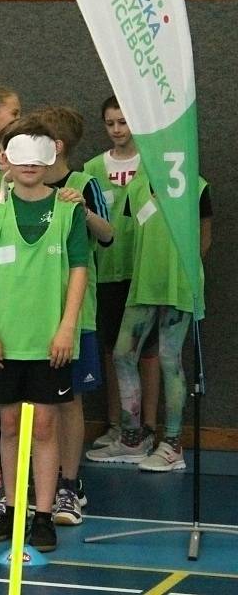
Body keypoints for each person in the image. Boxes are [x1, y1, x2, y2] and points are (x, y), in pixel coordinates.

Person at [0, 119, 88, 552]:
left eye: (37, 154)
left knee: (44, 425)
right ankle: (12, 506)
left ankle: (43, 516)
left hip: (49, 340)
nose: (28, 163)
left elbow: (79, 271)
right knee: (7, 423)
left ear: (51, 157)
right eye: (18, 153)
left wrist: (66, 327)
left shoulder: (69, 209)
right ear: (5, 157)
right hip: (4, 338)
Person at [87, 167, 212, 471]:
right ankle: (133, 438)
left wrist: (187, 276)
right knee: (122, 354)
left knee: (170, 358)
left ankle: (171, 444)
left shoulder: (196, 187)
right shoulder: (137, 187)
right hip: (144, 283)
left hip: (178, 285)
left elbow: (204, 238)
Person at [29, 106, 113, 526]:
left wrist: (84, 210)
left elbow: (109, 235)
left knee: (70, 400)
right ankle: (36, 483)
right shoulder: (27, 186)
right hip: (30, 315)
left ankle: (70, 483)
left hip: (76, 315)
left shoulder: (84, 184)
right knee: (36, 401)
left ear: (56, 147)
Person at [83, 96, 160, 449]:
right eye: (111, 123)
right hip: (108, 274)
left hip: (146, 275)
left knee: (148, 353)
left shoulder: (155, 167)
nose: (117, 130)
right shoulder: (92, 170)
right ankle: (117, 424)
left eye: (123, 122)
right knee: (115, 352)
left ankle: (148, 425)